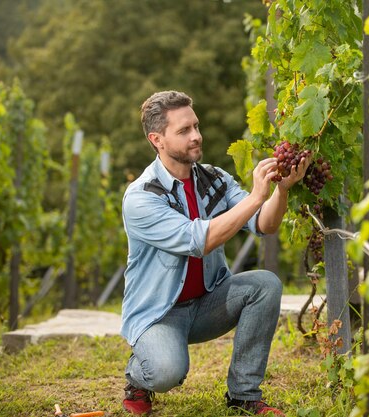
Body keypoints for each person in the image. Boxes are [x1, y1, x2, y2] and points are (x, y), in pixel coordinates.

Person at [120, 90, 310, 415]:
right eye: (183, 131)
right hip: (160, 314)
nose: (196, 136)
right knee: (167, 372)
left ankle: (243, 396)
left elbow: (264, 224)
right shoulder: (142, 197)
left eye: (195, 126)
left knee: (265, 285)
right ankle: (139, 375)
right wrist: (255, 196)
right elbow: (198, 240)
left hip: (209, 302)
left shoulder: (214, 178)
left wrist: (280, 190)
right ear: (157, 139)